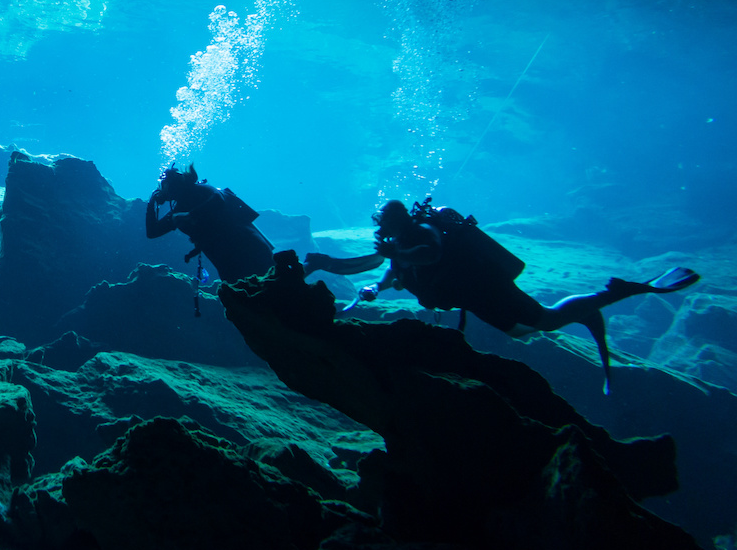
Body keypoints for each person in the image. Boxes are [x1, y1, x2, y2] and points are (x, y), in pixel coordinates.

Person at [305, 198, 700, 393]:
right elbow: (390, 269)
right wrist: (375, 284)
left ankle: (611, 295)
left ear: (401, 220)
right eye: (385, 229)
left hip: (485, 287)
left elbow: (431, 254)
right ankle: (594, 305)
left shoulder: (422, 234)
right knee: (524, 331)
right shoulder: (398, 247)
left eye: (389, 226)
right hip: (473, 298)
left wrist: (398, 254)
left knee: (543, 320)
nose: (386, 233)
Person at [145, 164, 283, 283]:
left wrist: (190, 215)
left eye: (164, 185)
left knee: (274, 284)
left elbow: (218, 199)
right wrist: (151, 202)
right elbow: (153, 232)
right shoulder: (179, 209)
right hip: (226, 259)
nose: (163, 189)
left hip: (246, 247)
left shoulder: (200, 189)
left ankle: (302, 270)